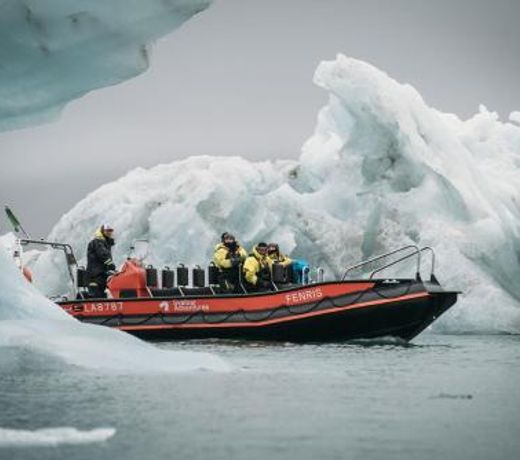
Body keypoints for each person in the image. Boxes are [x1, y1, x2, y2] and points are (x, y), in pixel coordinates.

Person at [86, 224, 116, 298]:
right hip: (95, 275)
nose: (109, 232)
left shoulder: (105, 242)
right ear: (102, 231)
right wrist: (110, 265)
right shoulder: (98, 242)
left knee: (101, 294)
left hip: (101, 274)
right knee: (96, 295)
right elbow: (103, 254)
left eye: (111, 230)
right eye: (107, 231)